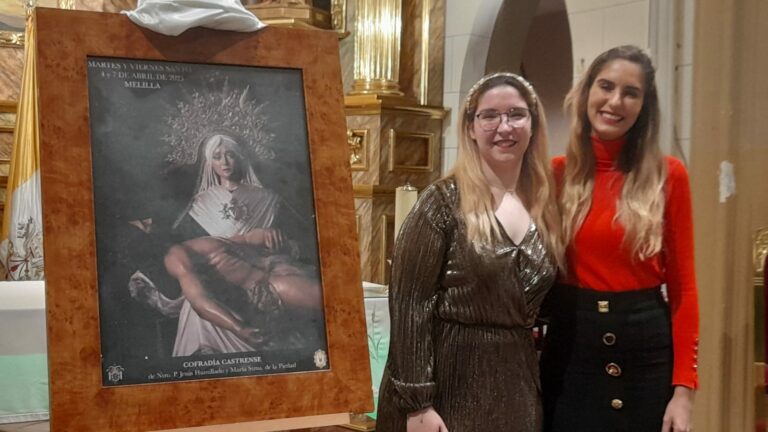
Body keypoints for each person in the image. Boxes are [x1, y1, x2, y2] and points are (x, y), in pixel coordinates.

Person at [375, 72, 564, 432]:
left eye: (516, 114)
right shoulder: (441, 202)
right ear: (471, 128)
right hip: (447, 384)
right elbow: (410, 304)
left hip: (516, 386)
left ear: (533, 124)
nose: (504, 127)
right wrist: (418, 403)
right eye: (489, 115)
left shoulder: (546, 208)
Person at [540, 45, 699, 432]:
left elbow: (684, 290)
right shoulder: (554, 175)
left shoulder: (669, 175)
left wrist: (684, 392)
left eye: (631, 93)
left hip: (646, 357)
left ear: (644, 105)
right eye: (606, 86)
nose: (615, 101)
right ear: (587, 92)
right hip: (571, 351)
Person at [166, 133, 324, 356]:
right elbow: (197, 268)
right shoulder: (199, 205)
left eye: (230, 155)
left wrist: (281, 242)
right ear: (209, 162)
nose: (224, 162)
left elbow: (306, 241)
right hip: (223, 284)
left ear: (241, 157)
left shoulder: (268, 198)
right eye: (217, 156)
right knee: (197, 311)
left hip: (269, 270)